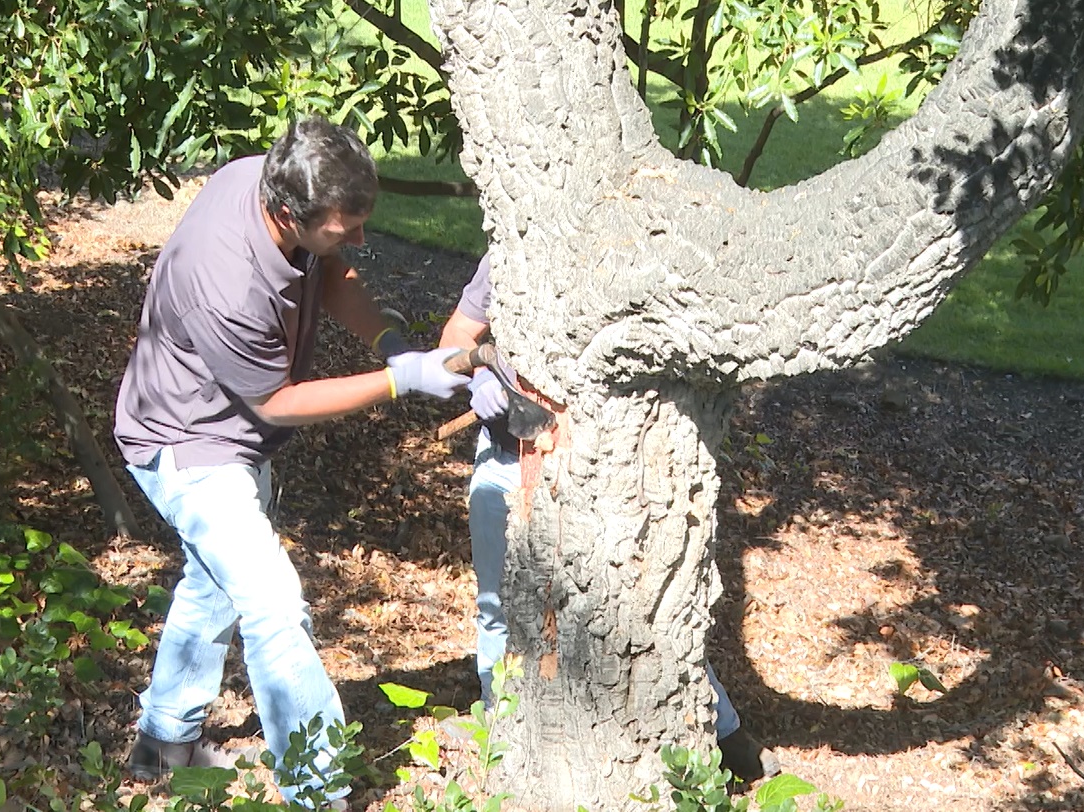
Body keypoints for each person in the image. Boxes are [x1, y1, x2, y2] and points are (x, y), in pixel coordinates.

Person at [112, 118, 469, 807]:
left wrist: (392, 339)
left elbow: (331, 272)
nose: (361, 241)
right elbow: (277, 401)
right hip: (187, 443)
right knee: (273, 604)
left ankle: (161, 743)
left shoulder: (271, 176)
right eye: (346, 228)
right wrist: (404, 380)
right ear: (287, 213)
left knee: (215, 581)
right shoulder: (227, 278)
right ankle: (321, 787)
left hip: (226, 431)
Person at [438, 256, 780, 784]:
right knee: (496, 606)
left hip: (599, 462)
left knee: (638, 608)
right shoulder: (515, 247)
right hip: (506, 457)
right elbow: (457, 334)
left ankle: (724, 731)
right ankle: (500, 738)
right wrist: (478, 376)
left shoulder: (624, 251)